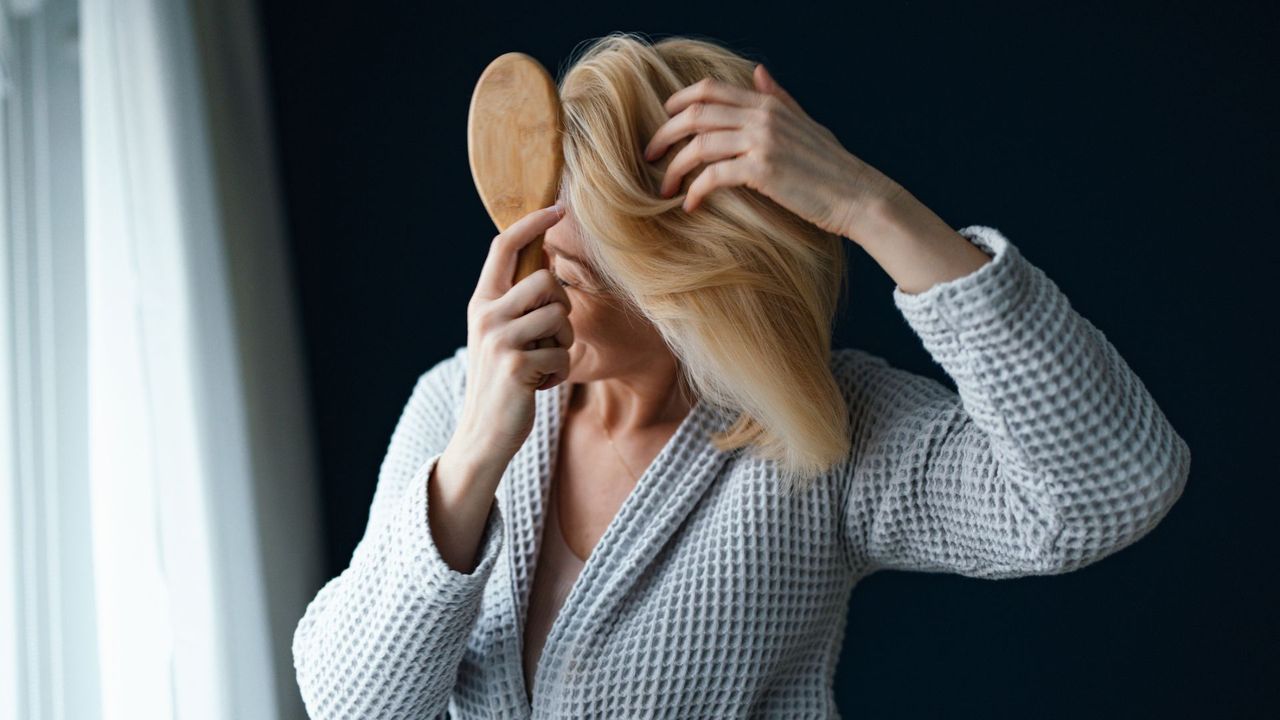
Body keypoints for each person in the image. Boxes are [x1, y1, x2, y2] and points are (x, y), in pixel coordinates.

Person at [292, 32, 1191, 719]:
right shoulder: (459, 402)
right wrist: (471, 464)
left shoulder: (824, 436)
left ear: (690, 279)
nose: (536, 253)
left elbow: (1107, 488)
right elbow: (350, 703)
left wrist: (867, 204)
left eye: (581, 246)